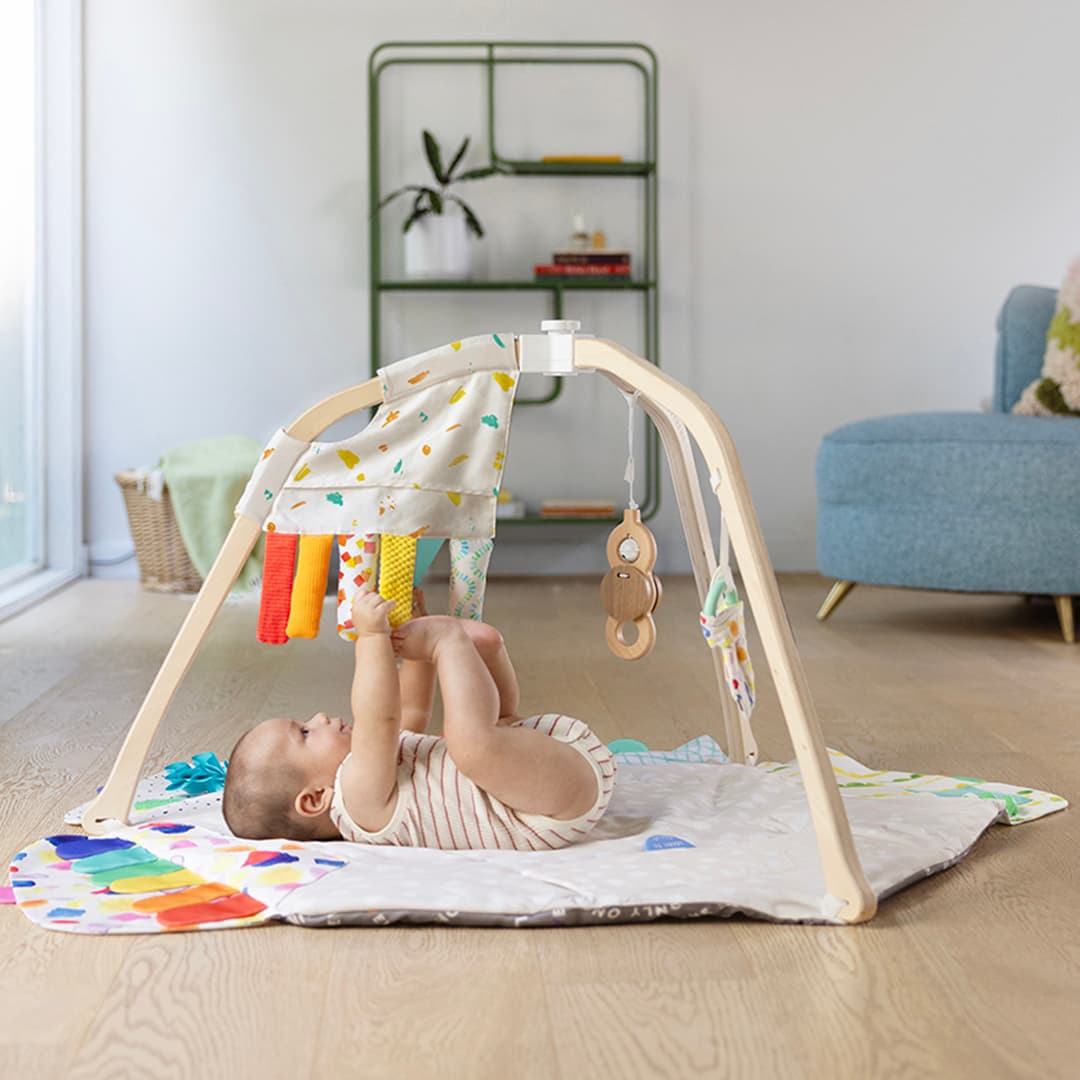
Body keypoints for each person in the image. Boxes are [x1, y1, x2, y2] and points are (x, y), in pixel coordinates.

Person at [222, 589, 615, 851]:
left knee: (489, 735)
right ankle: (453, 644)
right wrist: (372, 639)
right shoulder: (357, 802)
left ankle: (486, 650)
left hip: (539, 768)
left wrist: (414, 649)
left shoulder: (379, 778)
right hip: (549, 806)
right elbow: (381, 717)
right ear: (315, 799)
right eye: (305, 733)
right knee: (470, 746)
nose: (319, 716)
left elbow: (408, 712)